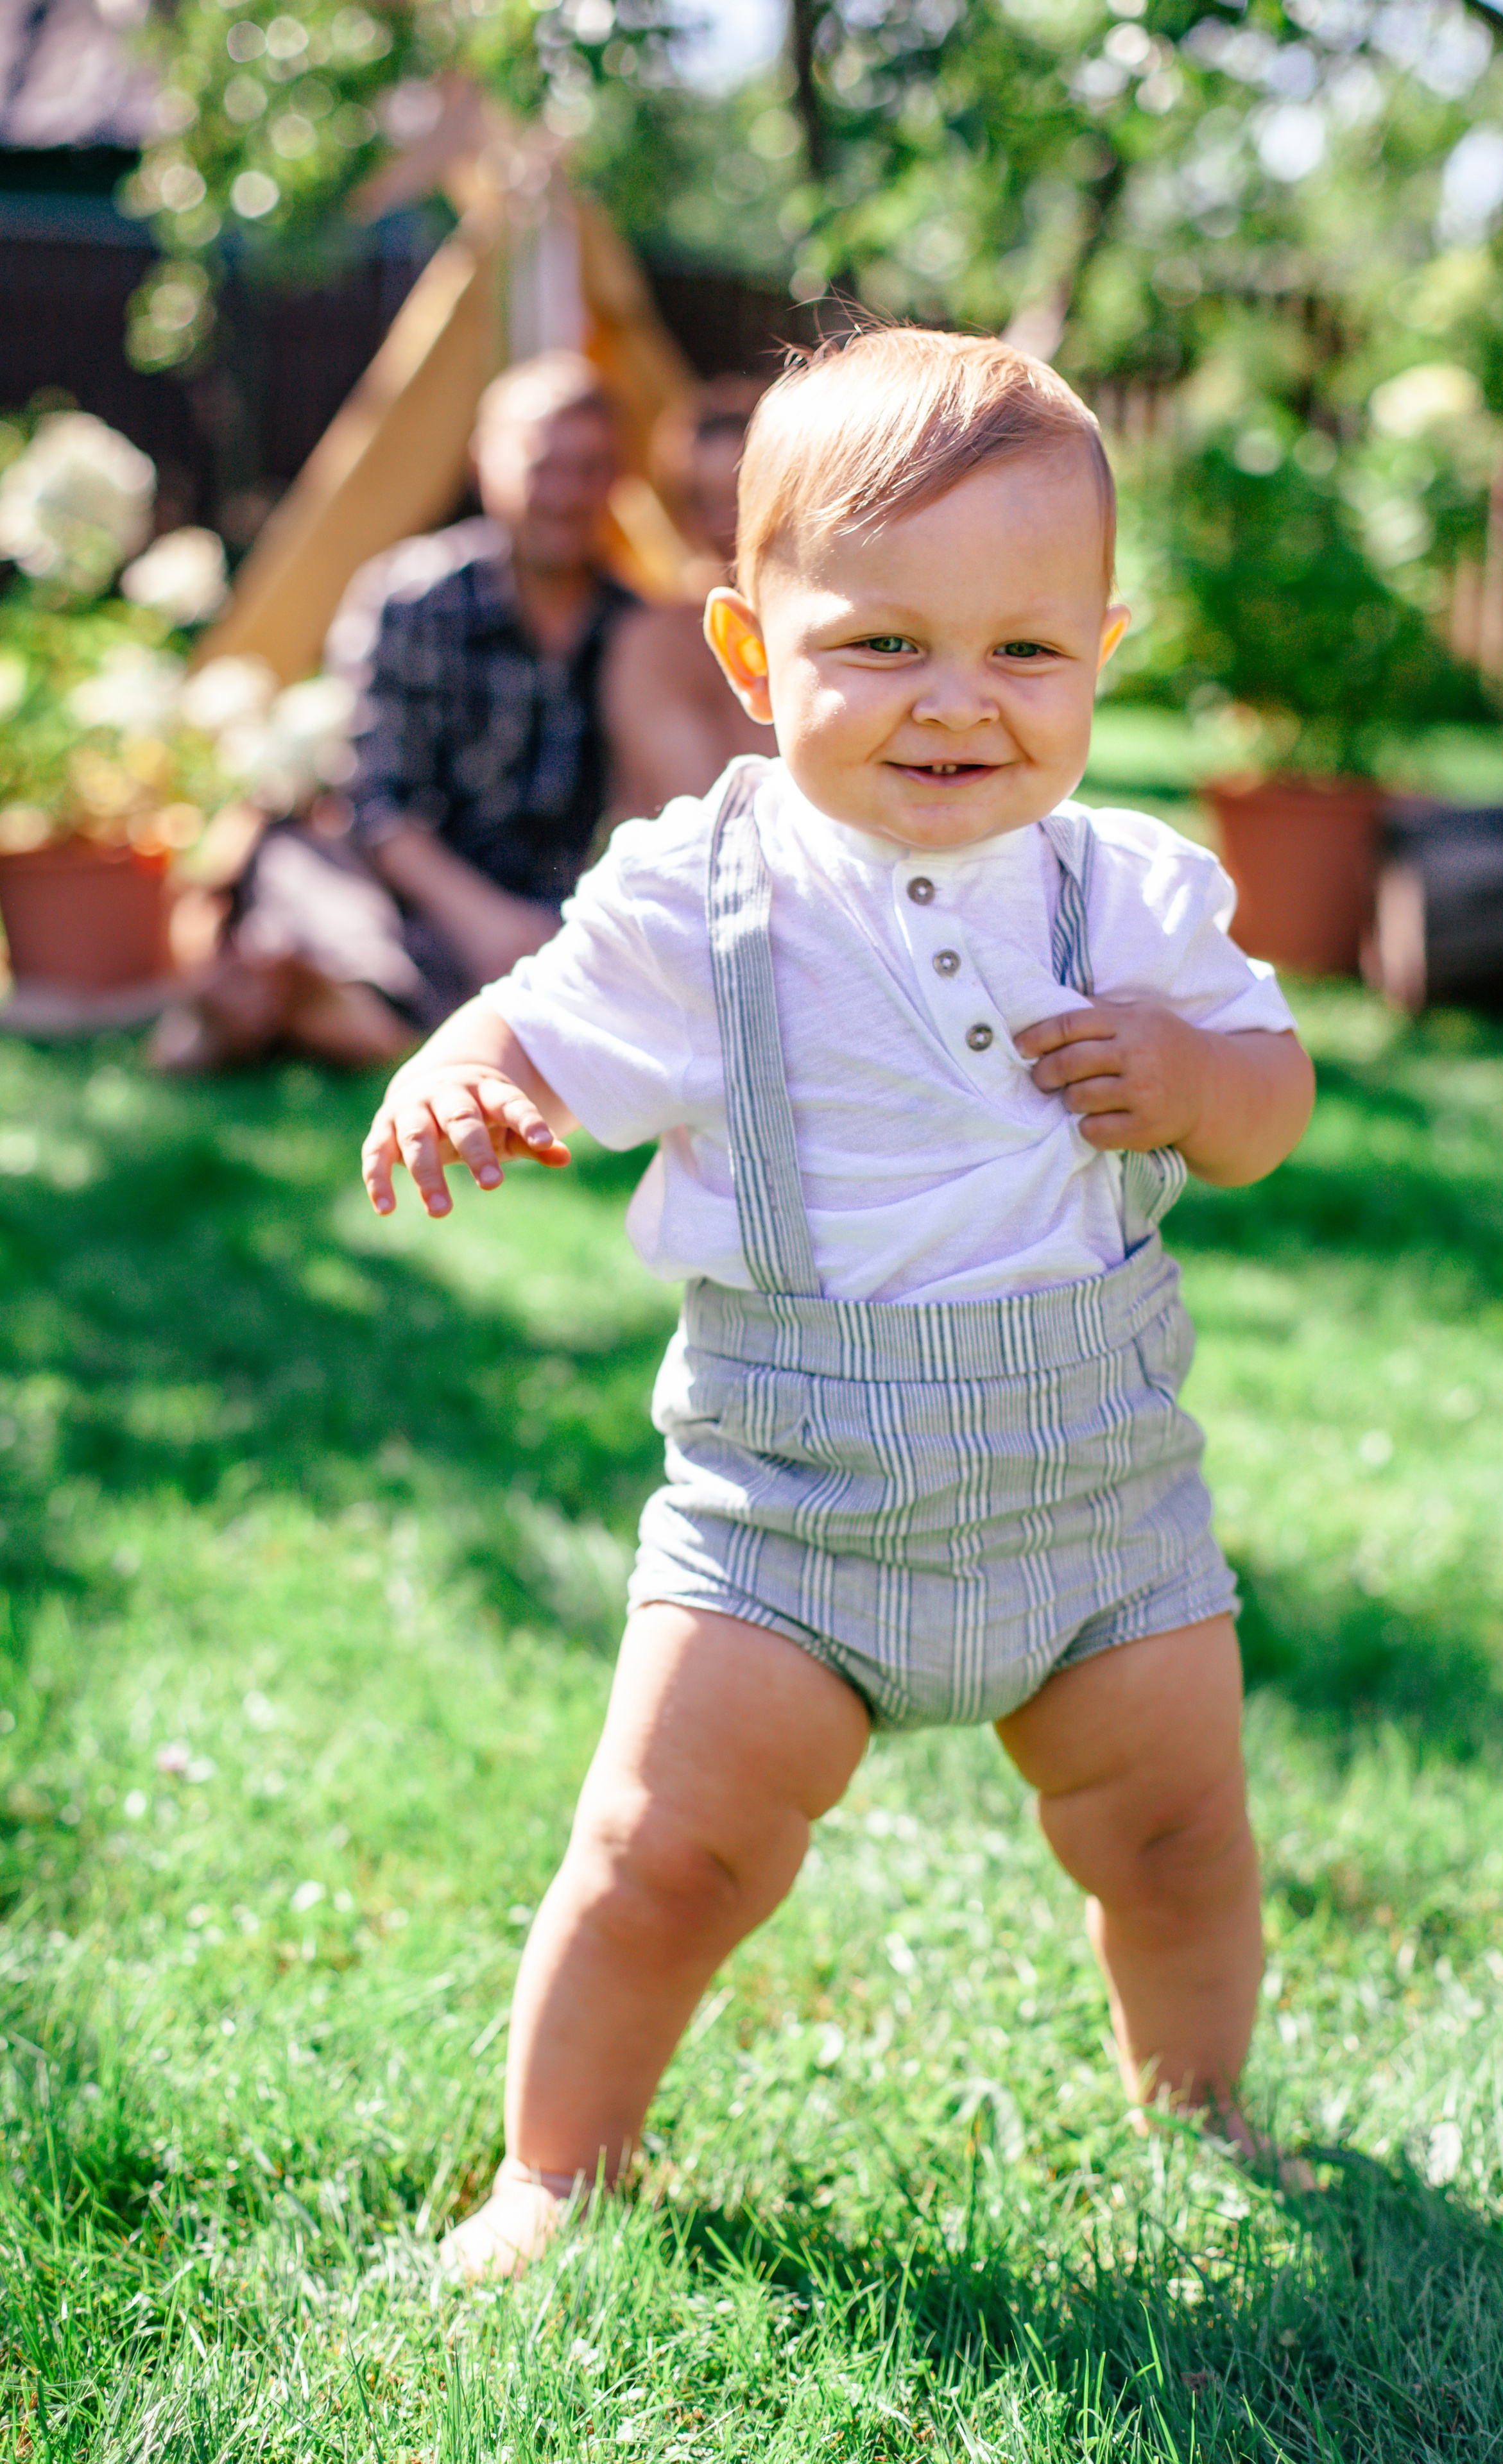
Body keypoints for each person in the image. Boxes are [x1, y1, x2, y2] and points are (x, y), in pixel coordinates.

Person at [360, 327, 1317, 2279]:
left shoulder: (1132, 896)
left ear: (1100, 651)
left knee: (1174, 1837)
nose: (955, 700)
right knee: (662, 1854)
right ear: (748, 652)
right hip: (790, 1511)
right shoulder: (696, 894)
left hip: (1093, 1502)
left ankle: (1201, 2102)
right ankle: (555, 2167)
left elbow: (1269, 1106)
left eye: (1022, 649)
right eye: (880, 643)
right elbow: (533, 1024)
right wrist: (462, 1074)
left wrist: (1192, 1076)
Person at [154, 353, 639, 1071]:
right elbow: (374, 803)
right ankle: (339, 998)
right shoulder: (414, 598)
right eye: (543, 465)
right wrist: (481, 920)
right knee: (295, 860)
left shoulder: (638, 628)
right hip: (410, 902)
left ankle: (328, 1007)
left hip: (553, 918)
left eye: (590, 467)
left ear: (619, 479)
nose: (566, 493)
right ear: (484, 464)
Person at [601, 376, 769, 824]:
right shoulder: (657, 641)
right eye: (700, 501)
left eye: (740, 495)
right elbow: (699, 810)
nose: (723, 524)